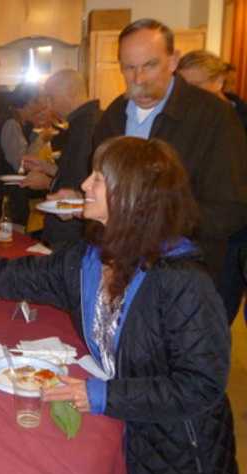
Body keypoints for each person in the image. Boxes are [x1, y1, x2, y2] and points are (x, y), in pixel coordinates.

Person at [0, 136, 237, 474]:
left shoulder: (183, 281)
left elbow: (201, 385)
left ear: (133, 196)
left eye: (98, 178)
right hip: (137, 430)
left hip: (185, 450)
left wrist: (102, 394)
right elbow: (9, 276)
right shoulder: (88, 260)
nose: (84, 184)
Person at [89, 18, 247, 294]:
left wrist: (157, 220)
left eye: (150, 65)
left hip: (189, 276)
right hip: (123, 269)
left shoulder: (214, 117)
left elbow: (231, 209)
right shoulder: (113, 116)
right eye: (129, 68)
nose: (138, 79)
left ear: (173, 61)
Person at [177, 50, 247, 324]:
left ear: (218, 82)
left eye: (195, 87)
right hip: (196, 230)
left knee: (218, 313)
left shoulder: (240, 122)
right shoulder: (188, 122)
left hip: (234, 237)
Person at [20, 69, 102, 249]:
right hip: (70, 228)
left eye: (51, 98)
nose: (48, 105)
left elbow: (82, 185)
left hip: (72, 232)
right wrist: (47, 168)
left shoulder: (87, 127)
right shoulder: (83, 122)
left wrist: (47, 184)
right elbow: (77, 171)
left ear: (70, 93)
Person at [0, 83, 44, 222]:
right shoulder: (11, 123)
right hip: (3, 201)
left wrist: (36, 130)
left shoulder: (14, 120)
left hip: (5, 199)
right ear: (27, 103)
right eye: (37, 102)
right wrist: (43, 138)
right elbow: (22, 163)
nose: (40, 107)